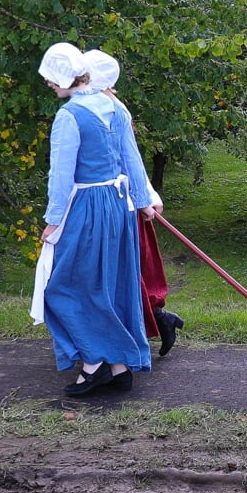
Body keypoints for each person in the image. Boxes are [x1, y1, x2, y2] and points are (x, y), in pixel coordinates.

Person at [30, 42, 156, 396]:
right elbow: (133, 159)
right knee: (108, 285)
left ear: (64, 77)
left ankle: (95, 365)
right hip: (118, 206)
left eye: (51, 80)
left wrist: (54, 220)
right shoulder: (113, 107)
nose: (50, 86)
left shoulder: (69, 116)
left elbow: (61, 175)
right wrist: (142, 201)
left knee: (65, 287)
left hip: (86, 204)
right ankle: (118, 367)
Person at [83, 48, 182, 357]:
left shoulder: (110, 109)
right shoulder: (95, 106)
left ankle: (148, 325)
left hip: (121, 206)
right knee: (130, 271)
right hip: (115, 203)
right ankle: (151, 323)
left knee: (130, 272)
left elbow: (128, 159)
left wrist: (146, 198)